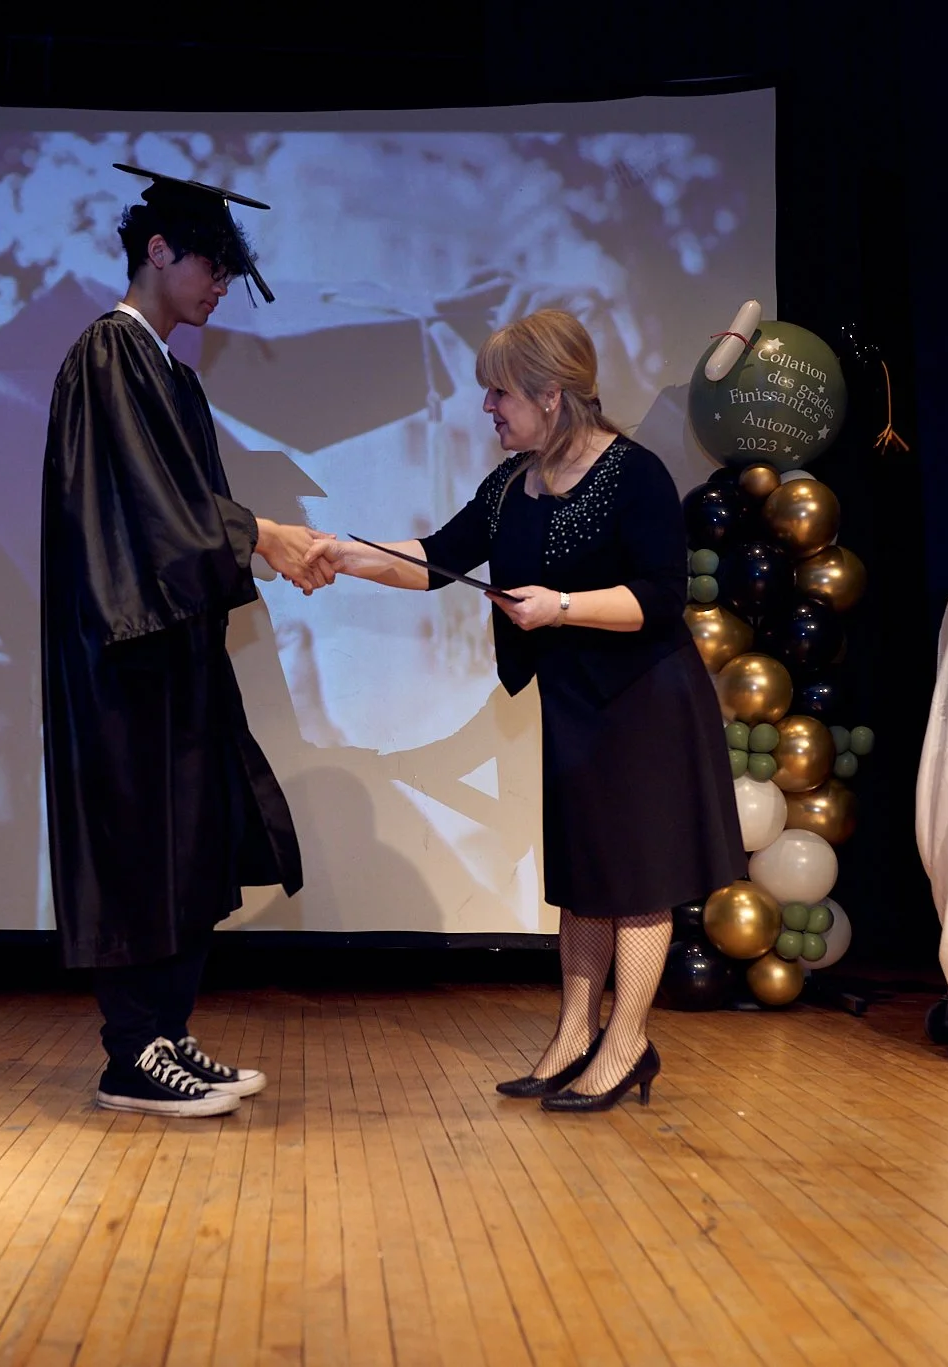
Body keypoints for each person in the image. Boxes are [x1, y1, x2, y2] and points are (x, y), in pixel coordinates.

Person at [310, 309, 745, 1111]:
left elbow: (659, 598)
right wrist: (346, 554)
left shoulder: (634, 473)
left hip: (645, 701)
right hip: (577, 705)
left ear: (550, 396)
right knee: (583, 878)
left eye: (499, 393)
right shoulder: (512, 485)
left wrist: (562, 607)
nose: (488, 409)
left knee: (637, 881)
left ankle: (628, 1042)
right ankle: (572, 1037)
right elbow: (438, 559)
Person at [40, 166, 332, 1118]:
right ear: (157, 251)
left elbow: (186, 507)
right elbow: (154, 511)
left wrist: (257, 534)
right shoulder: (107, 357)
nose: (221, 285)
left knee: (189, 838)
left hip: (172, 650)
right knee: (138, 843)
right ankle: (132, 1052)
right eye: (212, 262)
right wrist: (262, 536)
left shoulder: (165, 368)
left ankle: (163, 1038)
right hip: (128, 653)